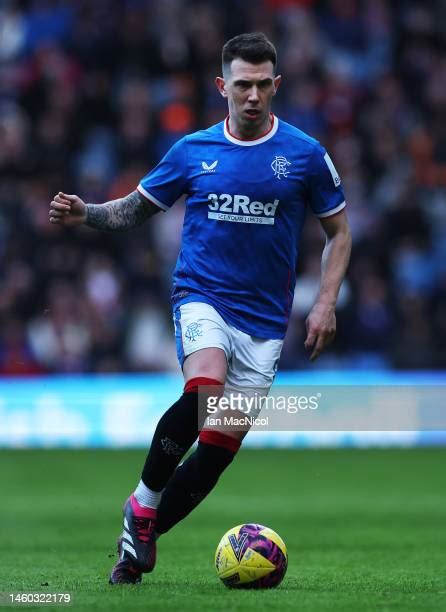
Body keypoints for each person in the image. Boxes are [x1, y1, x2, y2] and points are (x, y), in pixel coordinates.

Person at [49, 32, 352, 584]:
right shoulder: (193, 151)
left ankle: (136, 542)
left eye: (263, 85)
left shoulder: (306, 156)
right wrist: (86, 213)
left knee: (214, 452)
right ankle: (142, 503)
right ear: (223, 86)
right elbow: (135, 210)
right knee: (203, 391)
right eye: (243, 85)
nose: (254, 95)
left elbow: (339, 231)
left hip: (264, 325)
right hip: (203, 297)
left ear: (277, 85)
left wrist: (325, 300)